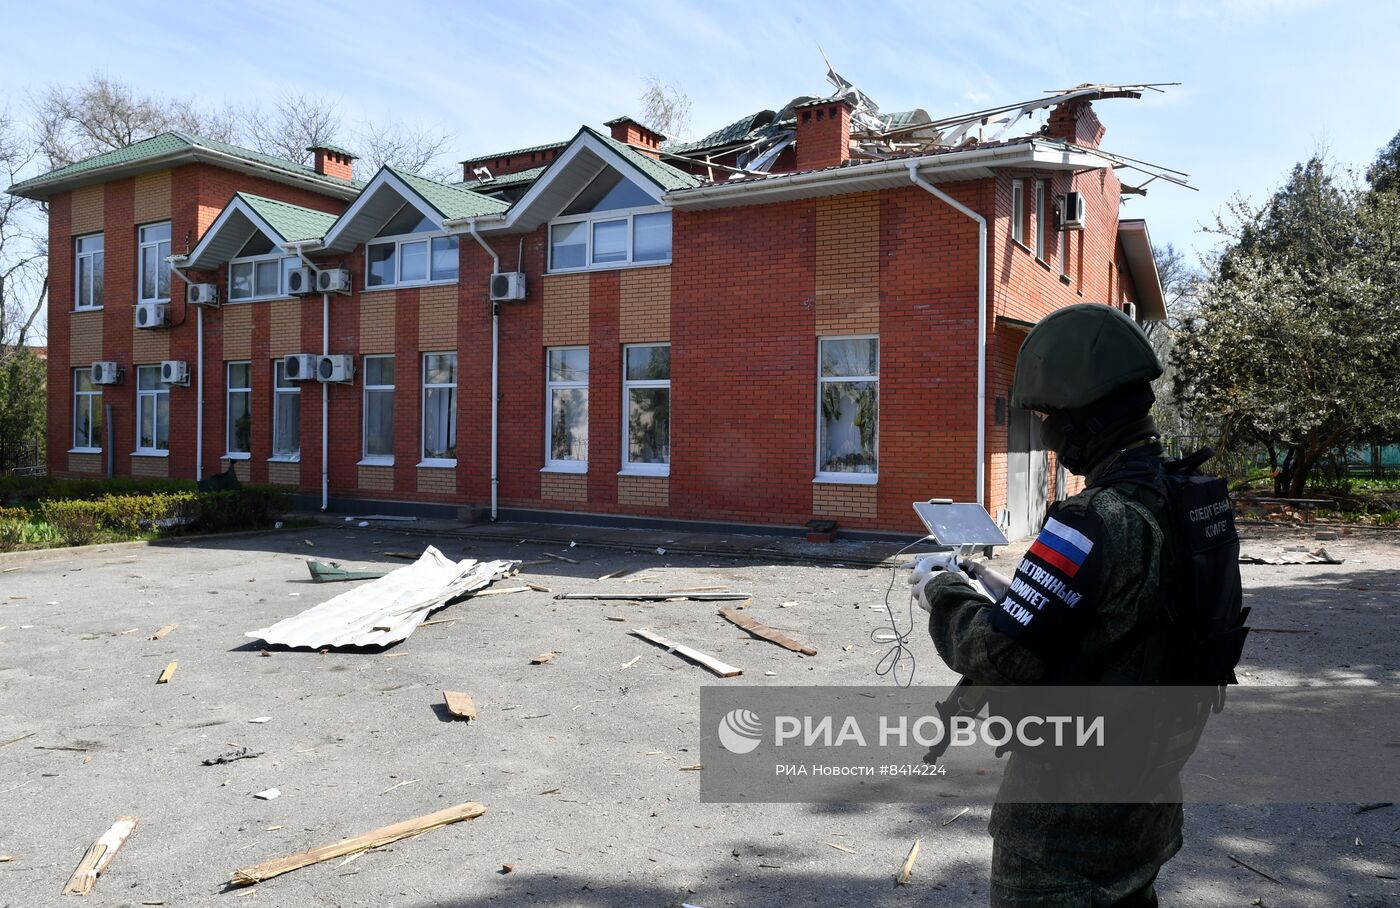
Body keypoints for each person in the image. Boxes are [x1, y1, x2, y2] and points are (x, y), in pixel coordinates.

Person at [909, 303, 1239, 907]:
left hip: (1066, 825)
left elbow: (999, 653)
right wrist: (1012, 594)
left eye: (1051, 417)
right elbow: (1123, 625)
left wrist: (943, 590)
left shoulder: (1090, 521)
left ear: (1087, 417)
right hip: (1145, 794)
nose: (1049, 434)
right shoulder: (1187, 501)